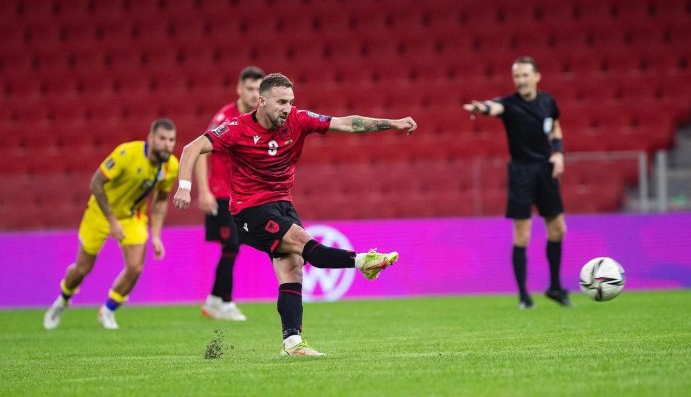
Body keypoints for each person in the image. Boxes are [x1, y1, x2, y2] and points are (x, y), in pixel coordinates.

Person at [173, 73, 417, 356]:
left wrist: (392, 123)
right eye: (281, 102)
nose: (287, 108)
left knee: (293, 267)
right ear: (262, 102)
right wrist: (185, 187)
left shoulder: (298, 119)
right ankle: (363, 261)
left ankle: (292, 343)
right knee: (303, 242)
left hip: (282, 205)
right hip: (249, 210)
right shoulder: (237, 128)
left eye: (290, 101)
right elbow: (192, 148)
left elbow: (346, 123)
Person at [43, 119, 179, 330]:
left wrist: (156, 235)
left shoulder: (171, 166)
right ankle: (62, 300)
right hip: (100, 213)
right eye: (162, 138)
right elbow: (96, 183)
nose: (167, 144)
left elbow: (161, 200)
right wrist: (112, 220)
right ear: (150, 138)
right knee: (83, 268)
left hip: (131, 217)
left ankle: (107, 311)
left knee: (135, 268)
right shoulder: (127, 154)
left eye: (171, 140)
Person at [463, 56, 571, 310]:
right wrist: (481, 108)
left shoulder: (547, 102)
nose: (521, 80)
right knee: (522, 234)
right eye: (517, 76)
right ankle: (524, 296)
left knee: (558, 229)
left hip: (546, 169)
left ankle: (555, 287)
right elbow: (494, 107)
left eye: (525, 75)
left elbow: (555, 128)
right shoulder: (510, 104)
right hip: (521, 172)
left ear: (536, 76)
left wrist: (558, 153)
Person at [195, 66, 265, 321]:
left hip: (243, 195)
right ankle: (225, 303)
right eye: (250, 88)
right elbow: (200, 151)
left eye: (258, 89)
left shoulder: (261, 118)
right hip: (221, 194)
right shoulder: (225, 118)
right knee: (231, 245)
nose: (254, 94)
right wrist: (204, 191)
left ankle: (214, 300)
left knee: (233, 247)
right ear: (239, 89)